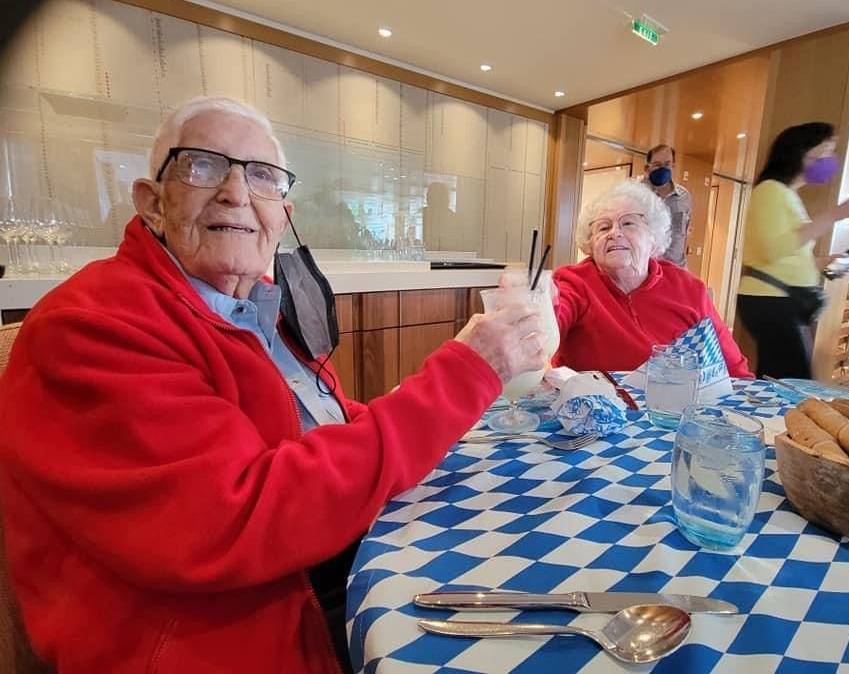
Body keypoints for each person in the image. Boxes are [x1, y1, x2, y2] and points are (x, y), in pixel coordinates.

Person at [0, 97, 547, 674]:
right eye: (203, 165)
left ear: (281, 214)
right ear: (152, 203)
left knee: (522, 562)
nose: (237, 192)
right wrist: (466, 373)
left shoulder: (254, 305)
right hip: (223, 632)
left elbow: (320, 422)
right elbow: (234, 518)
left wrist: (447, 427)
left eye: (261, 175)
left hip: (325, 564)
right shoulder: (93, 324)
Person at [548, 178, 751, 377]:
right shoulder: (574, 282)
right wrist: (537, 308)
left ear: (653, 238)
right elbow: (551, 320)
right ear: (590, 244)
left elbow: (733, 367)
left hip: (673, 407)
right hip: (591, 407)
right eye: (603, 227)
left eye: (628, 223)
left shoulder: (689, 288)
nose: (614, 233)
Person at [736, 122, 849, 378]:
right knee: (792, 379)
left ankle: (772, 418)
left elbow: (787, 254)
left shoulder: (787, 194)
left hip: (780, 300)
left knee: (780, 377)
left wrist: (824, 263)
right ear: (800, 152)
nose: (830, 160)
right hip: (771, 300)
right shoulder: (770, 190)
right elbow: (772, 249)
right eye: (825, 152)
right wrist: (836, 214)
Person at [644, 144, 691, 268]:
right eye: (657, 165)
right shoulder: (637, 193)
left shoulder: (684, 196)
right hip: (646, 271)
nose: (663, 169)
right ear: (647, 168)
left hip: (676, 269)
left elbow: (684, 234)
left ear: (673, 166)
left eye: (667, 164)